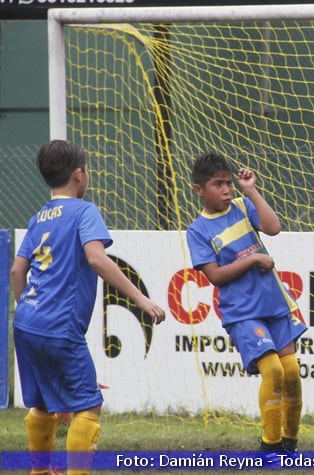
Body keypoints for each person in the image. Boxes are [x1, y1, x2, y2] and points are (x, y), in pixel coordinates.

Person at [11, 140, 167, 475]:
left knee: (40, 403)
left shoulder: (38, 218)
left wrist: (28, 307)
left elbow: (16, 271)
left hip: (26, 321)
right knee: (88, 403)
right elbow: (97, 258)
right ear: (79, 174)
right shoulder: (85, 211)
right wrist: (141, 300)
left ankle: (39, 472)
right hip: (59, 325)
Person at [186, 152, 306, 453]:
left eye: (228, 183)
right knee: (274, 372)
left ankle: (290, 442)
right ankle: (270, 444)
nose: (226, 190)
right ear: (199, 190)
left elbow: (273, 227)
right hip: (243, 313)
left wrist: (250, 189)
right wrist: (252, 259)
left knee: (291, 371)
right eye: (218, 184)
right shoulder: (198, 230)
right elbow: (214, 275)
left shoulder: (242, 206)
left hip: (274, 303)